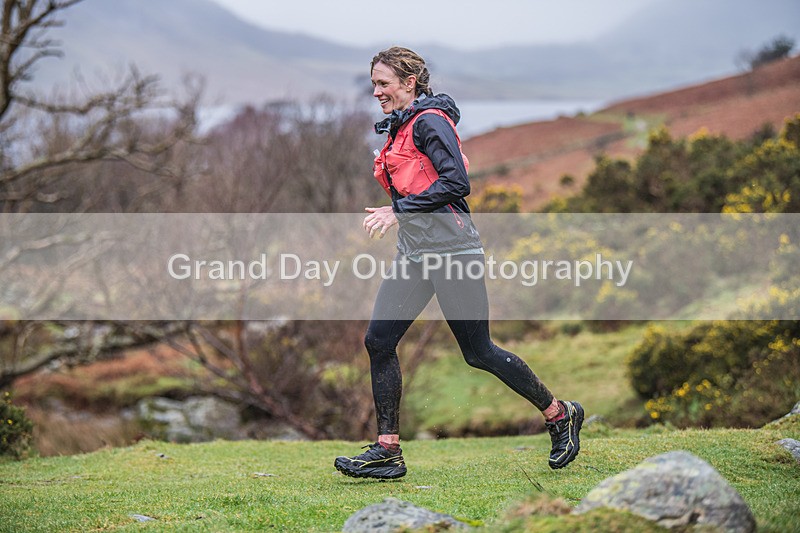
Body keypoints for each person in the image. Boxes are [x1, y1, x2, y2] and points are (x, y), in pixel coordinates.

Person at [334, 46, 583, 479]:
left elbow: (456, 182)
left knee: (478, 352)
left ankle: (560, 415)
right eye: (374, 83)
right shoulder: (400, 126)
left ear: (409, 82)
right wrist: (402, 212)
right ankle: (387, 451)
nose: (376, 91)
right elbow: (421, 183)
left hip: (453, 252)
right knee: (378, 341)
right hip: (415, 254)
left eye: (383, 83)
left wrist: (398, 211)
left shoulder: (429, 122)